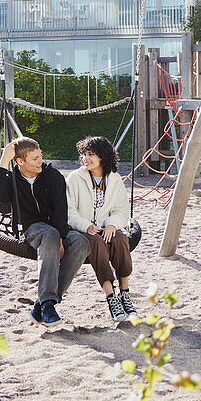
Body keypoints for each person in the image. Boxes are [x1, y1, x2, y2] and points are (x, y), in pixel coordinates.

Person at [0, 136, 90, 326]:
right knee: (49, 234)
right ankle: (47, 304)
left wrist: (61, 237)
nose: (40, 162)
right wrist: (4, 161)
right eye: (34, 158)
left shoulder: (52, 175)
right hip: (32, 228)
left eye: (40, 156)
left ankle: (44, 303)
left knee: (81, 242)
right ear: (20, 161)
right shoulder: (12, 178)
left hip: (56, 226)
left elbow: (61, 209)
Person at [66, 136, 138, 324]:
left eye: (91, 154)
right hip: (83, 231)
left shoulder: (114, 179)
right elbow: (69, 212)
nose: (85, 159)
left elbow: (122, 210)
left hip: (106, 227)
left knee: (121, 239)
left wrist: (113, 224)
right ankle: (111, 297)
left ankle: (125, 293)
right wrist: (86, 226)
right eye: (84, 154)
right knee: (96, 242)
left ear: (102, 156)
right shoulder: (74, 179)